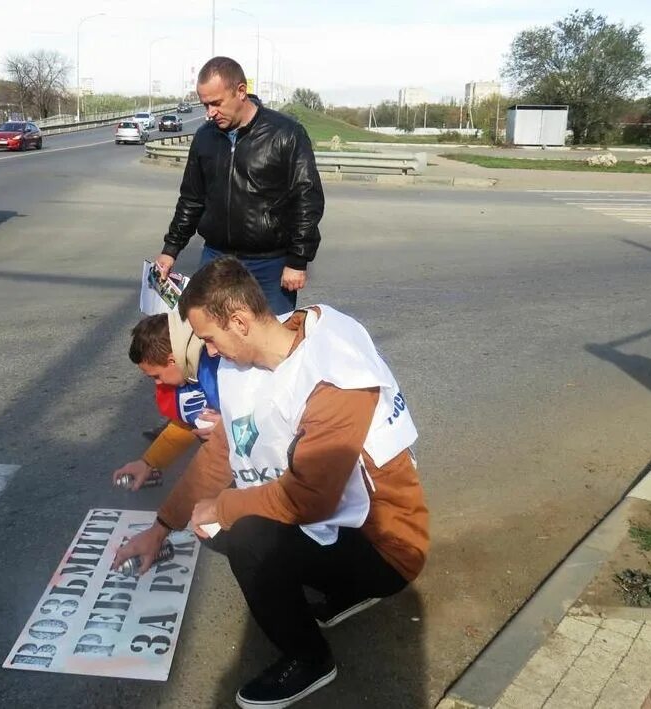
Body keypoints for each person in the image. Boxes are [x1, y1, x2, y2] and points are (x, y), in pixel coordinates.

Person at [112, 257, 429, 709]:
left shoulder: (334, 374)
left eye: (209, 339)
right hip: (340, 525)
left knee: (243, 535)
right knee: (213, 523)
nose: (209, 352)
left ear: (239, 322)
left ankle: (309, 659)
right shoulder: (256, 351)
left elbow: (311, 498)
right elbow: (222, 452)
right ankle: (344, 591)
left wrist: (225, 508)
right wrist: (161, 528)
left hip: (389, 546)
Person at [153, 56, 325, 316]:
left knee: (270, 349)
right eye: (205, 105)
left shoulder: (286, 133)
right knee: (209, 341)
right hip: (216, 259)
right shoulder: (204, 137)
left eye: (216, 103)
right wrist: (170, 250)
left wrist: (298, 260)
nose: (210, 113)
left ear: (241, 91)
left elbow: (307, 199)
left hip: (270, 264)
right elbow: (192, 199)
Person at [112, 311, 221, 490]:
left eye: (157, 376)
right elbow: (186, 424)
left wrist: (234, 424)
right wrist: (147, 463)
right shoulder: (187, 369)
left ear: (172, 360)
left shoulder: (220, 362)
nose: (158, 383)